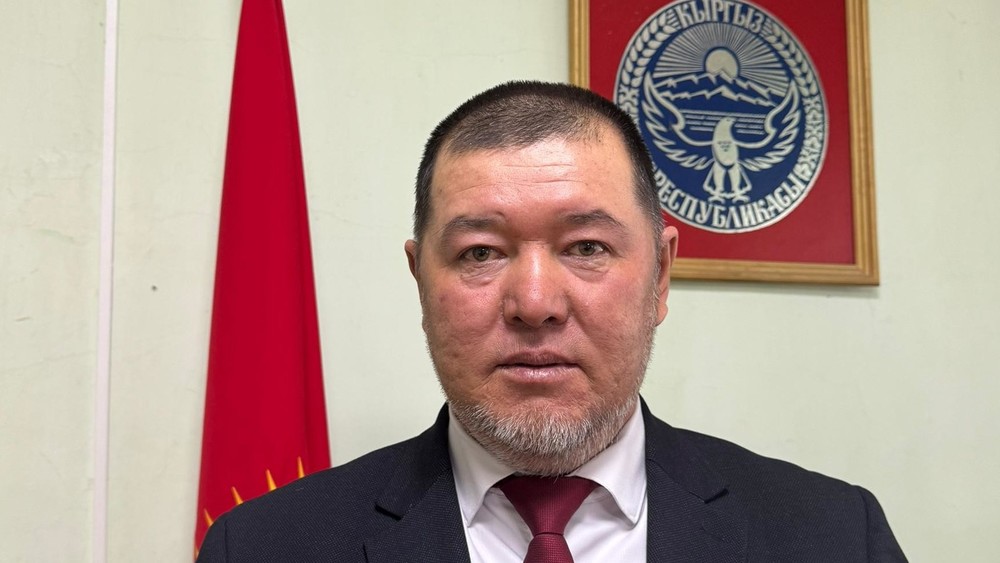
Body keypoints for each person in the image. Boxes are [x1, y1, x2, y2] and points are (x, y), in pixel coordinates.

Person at [197, 81, 906, 562]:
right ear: (420, 282)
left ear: (661, 276)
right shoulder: (262, 547)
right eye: (480, 252)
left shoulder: (836, 538)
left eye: (586, 247)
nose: (535, 302)